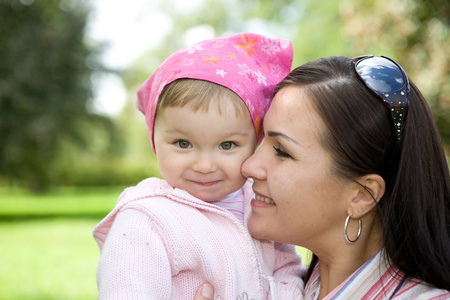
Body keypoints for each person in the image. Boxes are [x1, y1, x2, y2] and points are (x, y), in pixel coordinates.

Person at [193, 55, 450, 299]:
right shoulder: (268, 287)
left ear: (362, 195)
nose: (248, 166)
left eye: (282, 152)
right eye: (262, 142)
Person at [93, 33, 305, 299]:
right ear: (155, 141)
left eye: (227, 145)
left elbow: (287, 268)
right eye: (183, 143)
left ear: (255, 143)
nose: (204, 166)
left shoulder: (260, 204)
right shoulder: (146, 220)